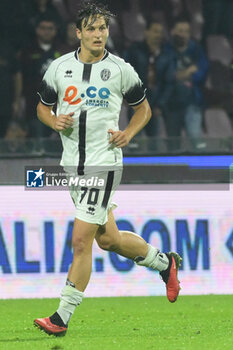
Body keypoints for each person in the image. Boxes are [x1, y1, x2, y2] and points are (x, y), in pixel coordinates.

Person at [33, 1, 182, 337]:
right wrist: (54, 120)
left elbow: (144, 109)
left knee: (81, 242)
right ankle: (164, 263)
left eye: (103, 28)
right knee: (108, 239)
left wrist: (128, 133)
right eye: (92, 28)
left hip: (104, 164)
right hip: (72, 165)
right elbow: (42, 107)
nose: (98, 34)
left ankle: (61, 317)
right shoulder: (58, 68)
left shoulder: (120, 70)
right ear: (79, 33)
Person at [163, 16, 209, 150]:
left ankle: (201, 170)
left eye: (186, 31)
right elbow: (167, 75)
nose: (183, 34)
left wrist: (179, 75)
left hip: (192, 102)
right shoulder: (166, 50)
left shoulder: (197, 50)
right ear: (172, 32)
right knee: (172, 145)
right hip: (171, 104)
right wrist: (188, 71)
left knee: (196, 140)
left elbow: (202, 74)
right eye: (180, 30)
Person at [124, 20, 171, 138]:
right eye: (155, 31)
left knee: (154, 143)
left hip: (156, 104)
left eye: (160, 32)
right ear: (146, 32)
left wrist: (160, 105)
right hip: (137, 103)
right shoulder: (134, 51)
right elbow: (125, 75)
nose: (158, 35)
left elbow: (169, 82)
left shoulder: (167, 55)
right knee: (135, 139)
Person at [19, 14, 63, 138]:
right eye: (43, 28)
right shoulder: (27, 51)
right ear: (37, 30)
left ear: (55, 31)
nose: (46, 32)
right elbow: (21, 77)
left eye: (50, 28)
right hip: (34, 106)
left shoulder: (63, 50)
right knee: (37, 144)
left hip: (60, 107)